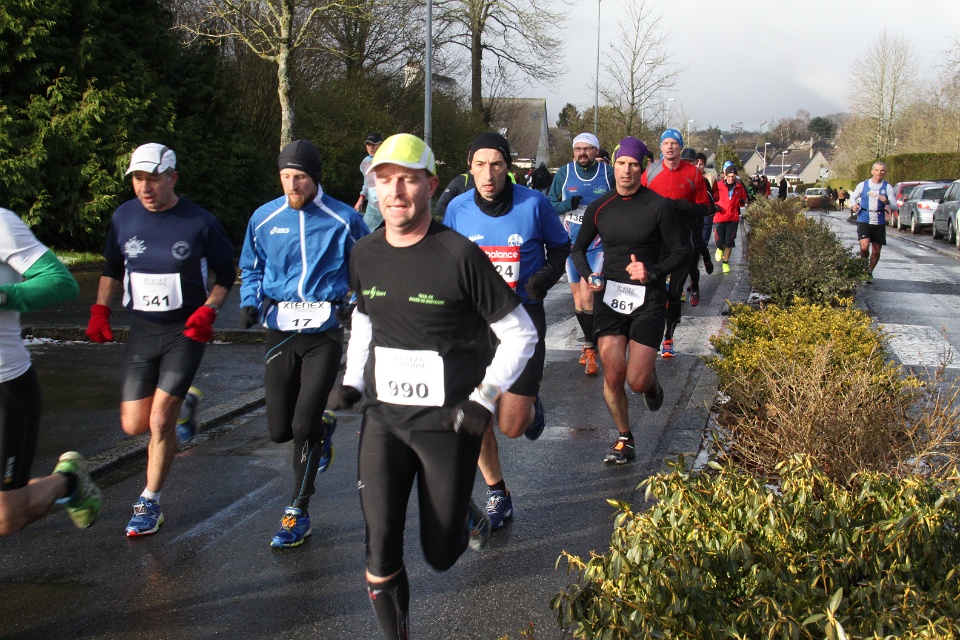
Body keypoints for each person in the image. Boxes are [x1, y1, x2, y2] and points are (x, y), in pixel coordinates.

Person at [326, 133, 538, 640]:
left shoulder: (458, 255)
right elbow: (364, 319)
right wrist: (352, 381)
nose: (395, 191)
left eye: (408, 179)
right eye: (384, 180)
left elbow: (521, 333)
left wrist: (485, 398)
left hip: (448, 422)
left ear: (431, 185)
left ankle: (464, 514)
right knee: (380, 546)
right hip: (384, 418)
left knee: (441, 554)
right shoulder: (365, 253)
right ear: (373, 187)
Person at [86, 143, 235, 536]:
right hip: (143, 330)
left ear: (173, 177)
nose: (145, 187)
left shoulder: (199, 222)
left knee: (159, 421)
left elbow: (225, 273)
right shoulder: (124, 216)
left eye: (153, 178)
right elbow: (112, 266)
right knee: (134, 424)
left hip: (184, 332)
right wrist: (100, 309)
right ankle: (186, 405)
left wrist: (209, 310)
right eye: (138, 178)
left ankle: (149, 502)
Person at [239, 139, 369, 548]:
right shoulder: (263, 218)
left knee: (302, 425)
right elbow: (251, 268)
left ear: (315, 177)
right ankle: (321, 429)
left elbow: (368, 265)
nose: (292, 185)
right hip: (281, 329)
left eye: (299, 177)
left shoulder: (344, 219)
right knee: (280, 430)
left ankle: (297, 511)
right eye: (285, 177)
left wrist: (352, 303)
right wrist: (249, 302)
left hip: (324, 333)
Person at [445, 131, 569, 530]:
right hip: (475, 328)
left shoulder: (533, 204)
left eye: (496, 165)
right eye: (480, 165)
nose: (488, 174)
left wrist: (543, 278)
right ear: (470, 167)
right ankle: (498, 492)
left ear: (507, 168)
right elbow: (447, 261)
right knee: (477, 411)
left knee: (511, 426)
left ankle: (531, 410)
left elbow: (561, 247)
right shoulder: (458, 209)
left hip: (522, 324)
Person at [571, 137, 688, 465]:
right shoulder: (601, 207)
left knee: (636, 380)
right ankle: (625, 437)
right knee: (612, 374)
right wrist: (590, 275)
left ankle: (651, 383)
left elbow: (682, 251)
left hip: (648, 298)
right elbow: (578, 249)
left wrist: (653, 271)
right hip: (610, 297)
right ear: (614, 166)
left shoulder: (658, 206)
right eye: (621, 163)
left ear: (643, 168)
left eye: (633, 165)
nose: (626, 171)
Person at [0, 208, 101, 536]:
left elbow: (60, 282)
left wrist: (5, 295)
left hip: (7, 387)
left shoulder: (1, 224)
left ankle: (69, 480)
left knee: (7, 518)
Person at [548, 132, 616, 374]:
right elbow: (550, 204)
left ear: (596, 151)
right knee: (578, 300)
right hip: (572, 244)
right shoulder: (564, 173)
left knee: (588, 294)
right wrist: (568, 205)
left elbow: (621, 201)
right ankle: (591, 343)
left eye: (587, 149)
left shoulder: (608, 174)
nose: (582, 153)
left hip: (597, 245)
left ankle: (590, 347)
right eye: (578, 149)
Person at [641, 128, 710, 358]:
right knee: (656, 291)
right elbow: (637, 201)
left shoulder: (693, 173)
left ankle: (669, 337)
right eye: (666, 143)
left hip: (682, 240)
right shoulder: (650, 172)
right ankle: (652, 336)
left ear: (680, 147)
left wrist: (688, 207)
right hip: (656, 240)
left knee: (674, 293)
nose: (670, 147)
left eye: (674, 143)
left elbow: (706, 207)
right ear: (661, 147)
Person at [850, 162, 897, 282]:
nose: (879, 173)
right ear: (872, 171)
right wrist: (854, 206)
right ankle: (864, 268)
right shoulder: (863, 185)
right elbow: (853, 197)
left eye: (881, 170)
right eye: (876, 170)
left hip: (879, 220)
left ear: (885, 172)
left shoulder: (887, 187)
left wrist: (886, 201)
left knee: (876, 251)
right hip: (864, 218)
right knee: (864, 247)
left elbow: (894, 206)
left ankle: (870, 271)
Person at [712, 161, 748, 274]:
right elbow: (711, 198)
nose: (731, 178)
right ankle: (719, 249)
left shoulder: (739, 187)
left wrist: (742, 201)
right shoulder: (718, 185)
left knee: (729, 242)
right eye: (729, 176)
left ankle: (725, 263)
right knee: (719, 242)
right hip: (720, 217)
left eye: (733, 176)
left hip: (733, 218)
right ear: (725, 175)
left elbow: (743, 201)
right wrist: (715, 206)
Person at [433, 148, 475, 220]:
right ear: (468, 161)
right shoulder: (460, 181)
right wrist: (463, 216)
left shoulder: (493, 181)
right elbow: (440, 208)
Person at [355, 131, 385, 230]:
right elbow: (367, 183)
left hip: (389, 208)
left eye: (374, 144)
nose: (371, 147)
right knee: (364, 233)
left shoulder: (389, 161)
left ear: (381, 144)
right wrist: (361, 199)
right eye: (368, 144)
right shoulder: (365, 163)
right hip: (373, 209)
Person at [694, 153, 716, 277]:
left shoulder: (707, 180)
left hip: (705, 217)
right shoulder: (683, 178)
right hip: (690, 217)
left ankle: (706, 257)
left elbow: (713, 197)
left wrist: (710, 209)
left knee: (699, 245)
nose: (698, 166)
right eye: (695, 163)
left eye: (701, 164)